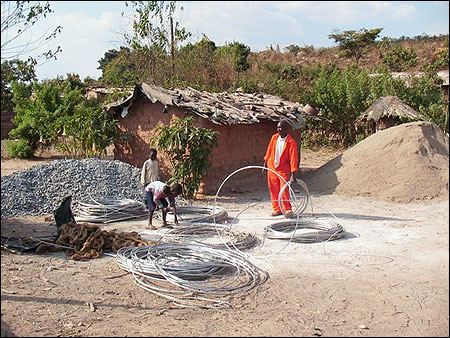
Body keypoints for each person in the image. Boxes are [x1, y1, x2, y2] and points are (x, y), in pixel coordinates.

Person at [263, 120, 299, 218]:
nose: (279, 129)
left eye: (281, 128)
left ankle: (287, 209)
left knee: (284, 189)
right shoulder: (274, 138)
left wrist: (293, 173)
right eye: (278, 127)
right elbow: (269, 151)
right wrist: (265, 164)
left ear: (286, 129)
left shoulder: (291, 142)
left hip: (283, 169)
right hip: (272, 167)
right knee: (273, 189)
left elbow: (293, 158)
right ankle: (277, 209)